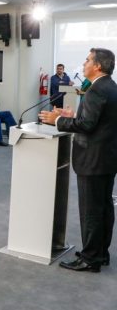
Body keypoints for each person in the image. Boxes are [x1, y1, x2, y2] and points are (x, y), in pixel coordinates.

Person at [39, 48, 117, 273]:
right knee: (103, 208)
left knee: (91, 211)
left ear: (98, 66)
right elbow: (99, 121)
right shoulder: (111, 87)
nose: (83, 64)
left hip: (92, 159)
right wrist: (73, 116)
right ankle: (100, 253)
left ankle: (90, 259)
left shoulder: (96, 89)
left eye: (87, 60)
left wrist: (57, 121)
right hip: (107, 158)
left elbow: (87, 126)